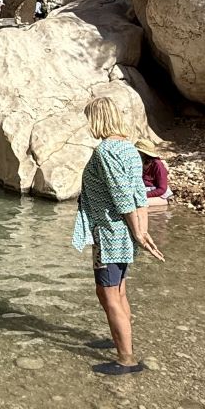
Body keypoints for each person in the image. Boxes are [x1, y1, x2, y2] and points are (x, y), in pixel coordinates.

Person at [72, 95, 164, 370]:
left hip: (111, 233)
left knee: (110, 295)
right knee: (116, 290)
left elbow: (123, 195)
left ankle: (126, 359)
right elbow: (139, 194)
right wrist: (142, 230)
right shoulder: (128, 149)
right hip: (120, 231)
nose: (88, 124)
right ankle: (120, 339)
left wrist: (138, 232)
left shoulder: (106, 151)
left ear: (98, 119)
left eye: (90, 118)